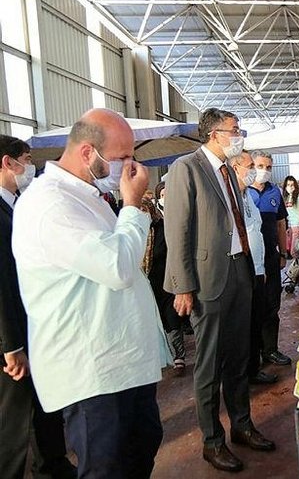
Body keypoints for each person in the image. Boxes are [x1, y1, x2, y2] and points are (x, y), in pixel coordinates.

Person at [12, 109, 168, 478]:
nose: (129, 166)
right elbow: (116, 266)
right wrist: (132, 206)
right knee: (107, 465)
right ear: (87, 152)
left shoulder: (86, 196)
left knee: (141, 446)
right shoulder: (50, 205)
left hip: (121, 363)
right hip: (92, 369)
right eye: (121, 158)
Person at [164, 108, 275, 473]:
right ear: (214, 134)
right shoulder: (187, 169)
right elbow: (177, 230)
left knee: (239, 357)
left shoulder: (228, 170)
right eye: (234, 130)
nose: (239, 135)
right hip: (207, 279)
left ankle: (242, 425)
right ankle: (212, 442)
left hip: (239, 271)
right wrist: (182, 286)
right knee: (209, 366)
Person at [1, 137, 75, 479]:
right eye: (27, 160)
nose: (31, 168)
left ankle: (54, 466)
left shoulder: (16, 205)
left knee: (46, 406)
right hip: (11, 338)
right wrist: (11, 345)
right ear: (7, 163)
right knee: (13, 421)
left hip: (35, 325)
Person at [229, 152, 277, 385]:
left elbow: (256, 230)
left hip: (257, 268)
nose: (254, 172)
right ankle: (244, 373)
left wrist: (261, 267)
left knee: (256, 318)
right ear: (235, 167)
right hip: (242, 269)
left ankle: (254, 368)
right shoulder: (229, 197)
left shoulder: (246, 195)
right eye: (250, 167)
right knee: (244, 323)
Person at [248, 150, 292, 369]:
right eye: (260, 166)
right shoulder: (242, 192)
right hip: (248, 260)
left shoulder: (275, 191)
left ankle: (270, 350)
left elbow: (281, 224)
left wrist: (283, 253)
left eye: (268, 167)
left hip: (271, 257)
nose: (264, 171)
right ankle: (252, 355)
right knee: (251, 307)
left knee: (272, 304)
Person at [143, 181, 187, 376]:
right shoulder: (137, 233)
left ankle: (178, 355)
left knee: (172, 318)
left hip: (167, 280)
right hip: (146, 283)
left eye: (146, 210)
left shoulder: (163, 226)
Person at [282, 176, 299, 257]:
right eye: (288, 185)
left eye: (292, 185)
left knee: (294, 251)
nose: (290, 187)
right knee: (288, 250)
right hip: (289, 226)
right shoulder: (286, 197)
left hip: (297, 225)